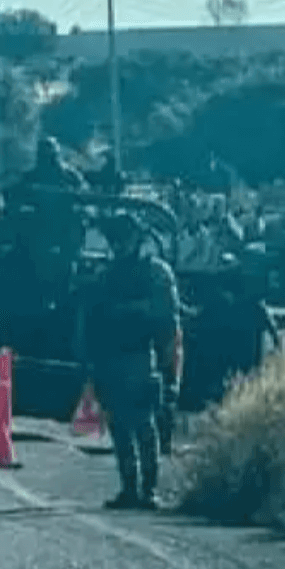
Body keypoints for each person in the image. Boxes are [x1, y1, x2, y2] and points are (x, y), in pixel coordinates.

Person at [83, 214, 180, 510]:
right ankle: (130, 487)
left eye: (123, 239)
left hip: (141, 356)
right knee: (119, 427)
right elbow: (92, 320)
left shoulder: (155, 273)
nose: (118, 245)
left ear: (137, 240)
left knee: (143, 425)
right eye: (115, 240)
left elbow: (166, 319)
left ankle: (148, 489)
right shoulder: (106, 276)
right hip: (111, 357)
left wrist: (171, 369)